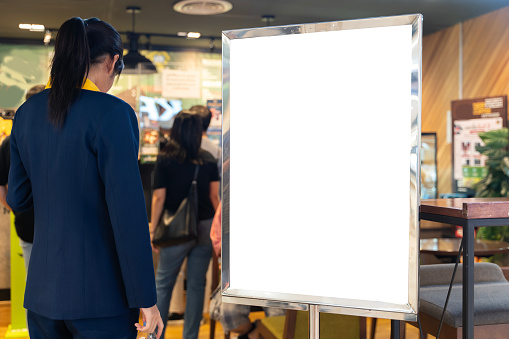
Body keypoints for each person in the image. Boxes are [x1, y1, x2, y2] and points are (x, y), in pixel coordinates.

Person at [6, 17, 163, 339]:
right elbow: (127, 214)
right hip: (101, 297)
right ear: (112, 61)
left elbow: (18, 199)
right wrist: (146, 299)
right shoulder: (113, 113)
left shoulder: (26, 113)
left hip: (41, 294)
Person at [150, 110, 220, 339]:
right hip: (204, 227)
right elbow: (214, 197)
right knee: (198, 284)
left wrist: (153, 229)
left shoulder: (165, 158)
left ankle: (155, 335)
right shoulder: (207, 159)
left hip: (175, 229)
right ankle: (190, 336)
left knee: (163, 283)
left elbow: (159, 197)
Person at [209, 202, 285, 339]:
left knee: (280, 319)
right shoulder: (228, 202)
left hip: (275, 274)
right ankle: (255, 332)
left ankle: (254, 334)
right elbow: (218, 242)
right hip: (238, 273)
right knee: (229, 315)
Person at [0, 84, 45, 273]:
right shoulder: (57, 138)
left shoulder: (11, 141)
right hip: (47, 226)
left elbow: (2, 185)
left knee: (34, 287)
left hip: (28, 223)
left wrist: (16, 209)